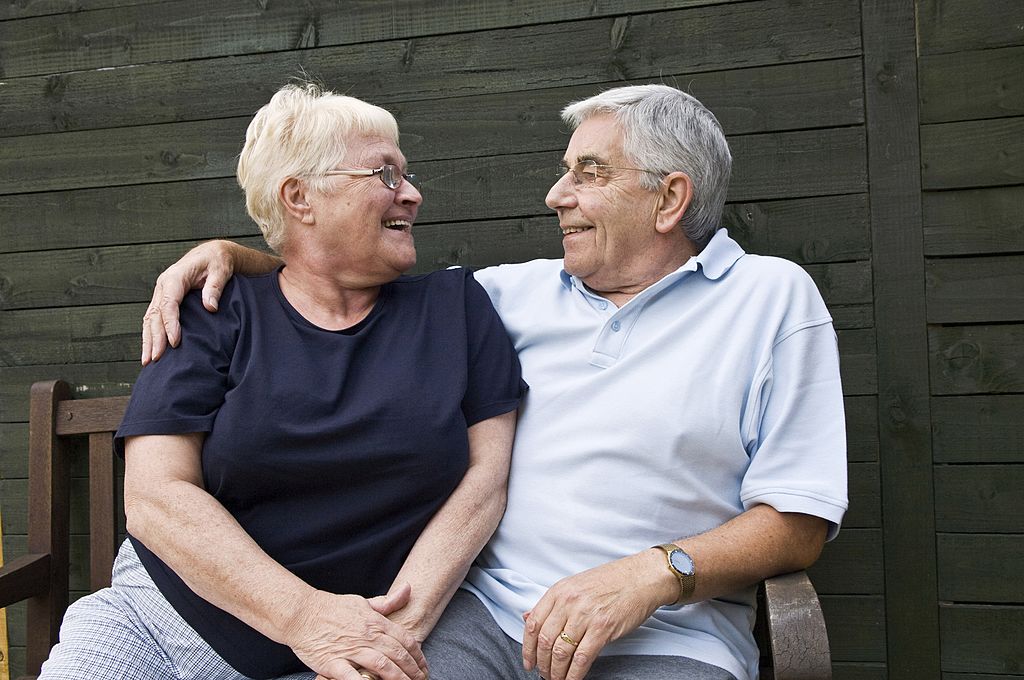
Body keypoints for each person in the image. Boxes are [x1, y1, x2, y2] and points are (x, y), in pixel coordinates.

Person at [142, 84, 848, 680]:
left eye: (589, 173)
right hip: (481, 623)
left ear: (668, 200)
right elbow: (338, 274)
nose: (555, 195)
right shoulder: (505, 295)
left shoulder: (771, 300)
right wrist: (232, 255)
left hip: (666, 639)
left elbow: (797, 523)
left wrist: (650, 574)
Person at [39, 83, 525, 680]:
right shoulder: (214, 308)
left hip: (370, 629)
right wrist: (306, 619)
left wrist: (386, 637)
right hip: (168, 620)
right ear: (300, 197)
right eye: (386, 174)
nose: (414, 194)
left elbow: (484, 483)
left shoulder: (455, 309)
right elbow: (154, 498)